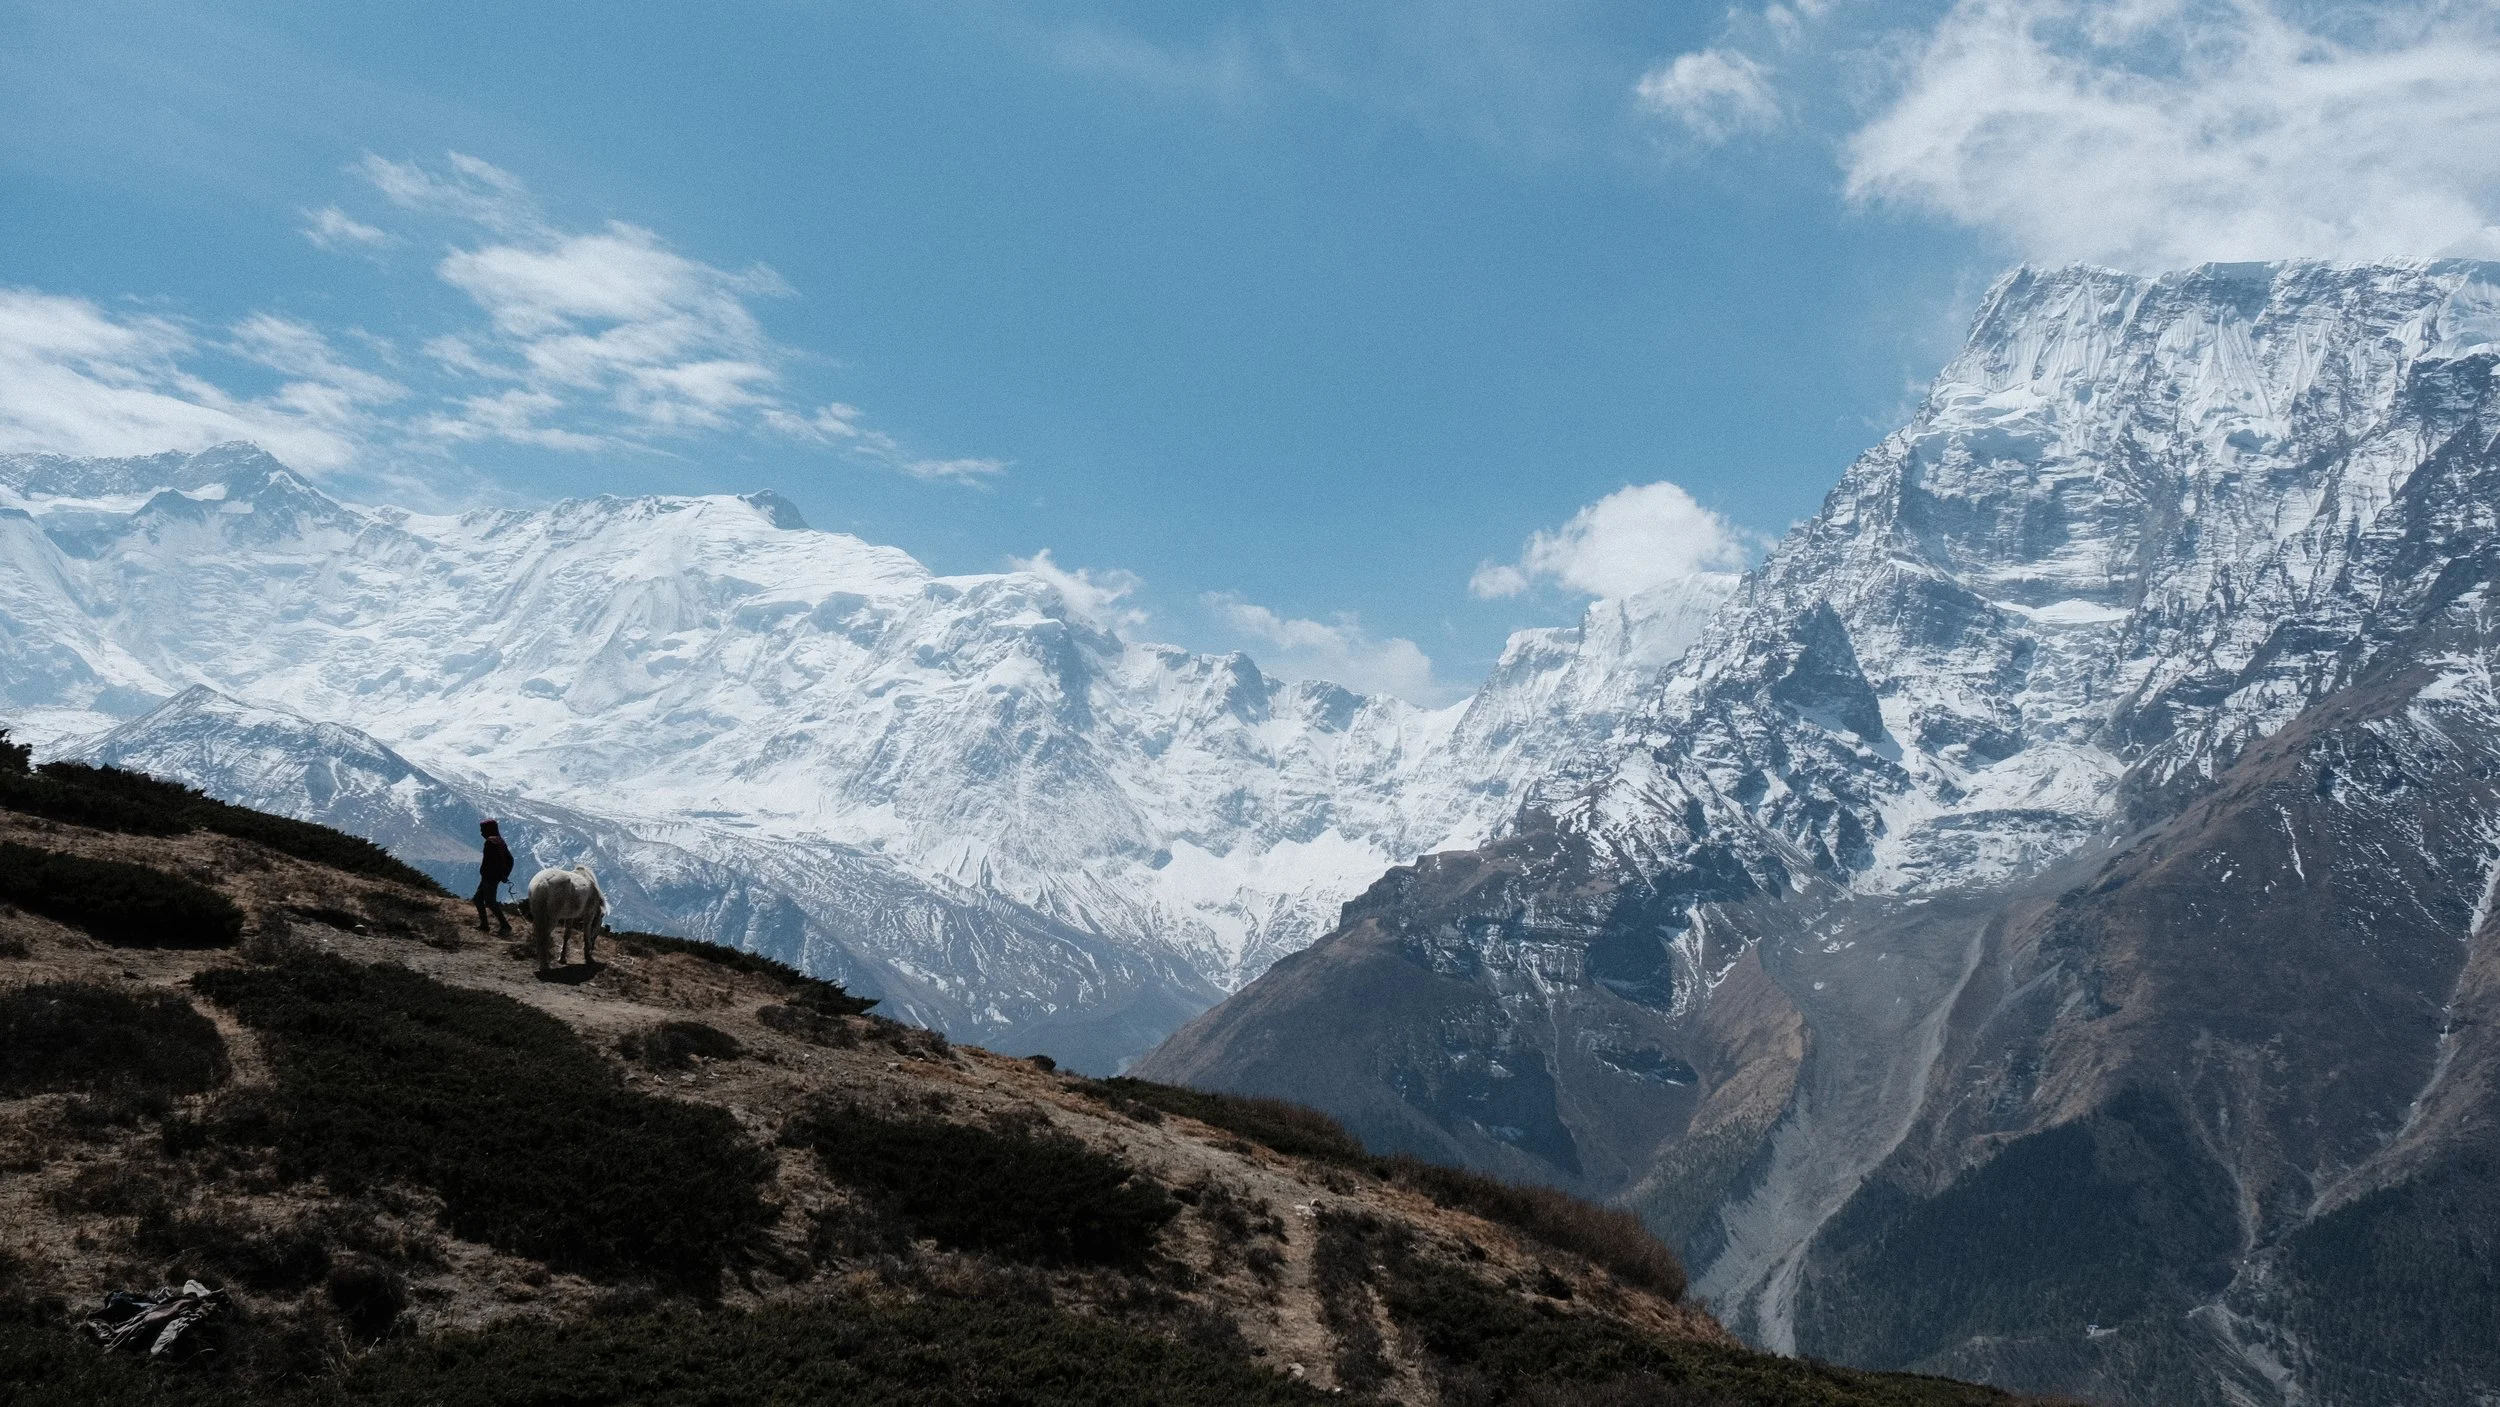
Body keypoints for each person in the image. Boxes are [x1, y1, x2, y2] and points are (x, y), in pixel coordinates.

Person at [474, 820, 516, 935]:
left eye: (483, 830)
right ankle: (485, 925)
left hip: (489, 877)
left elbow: (491, 862)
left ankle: (505, 926)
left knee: (489, 901)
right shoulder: (500, 841)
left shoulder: (490, 842)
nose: (481, 833)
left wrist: (491, 873)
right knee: (478, 899)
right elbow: (510, 859)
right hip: (492, 877)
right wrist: (504, 875)